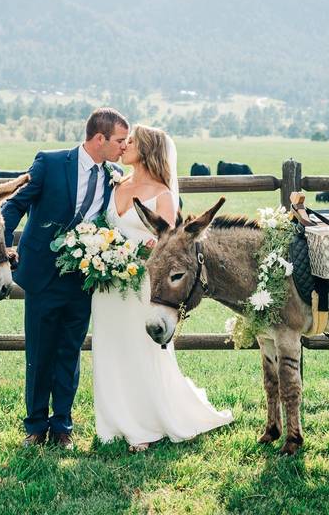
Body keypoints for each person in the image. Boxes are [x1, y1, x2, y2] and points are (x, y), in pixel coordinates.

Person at [92, 124, 233, 451]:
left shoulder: (162, 195)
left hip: (144, 287)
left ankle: (146, 424)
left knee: (141, 351)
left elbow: (167, 249)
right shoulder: (115, 185)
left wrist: (129, 254)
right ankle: (112, 423)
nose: (124, 145)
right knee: (110, 349)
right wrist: (100, 249)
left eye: (132, 142)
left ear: (148, 150)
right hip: (107, 286)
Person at [2, 107, 128, 449]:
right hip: (43, 274)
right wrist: (4, 247)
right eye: (119, 140)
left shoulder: (114, 174)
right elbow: (14, 205)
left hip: (82, 278)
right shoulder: (51, 162)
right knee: (40, 352)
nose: (124, 147)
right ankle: (34, 426)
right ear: (99, 138)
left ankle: (62, 427)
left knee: (69, 353)